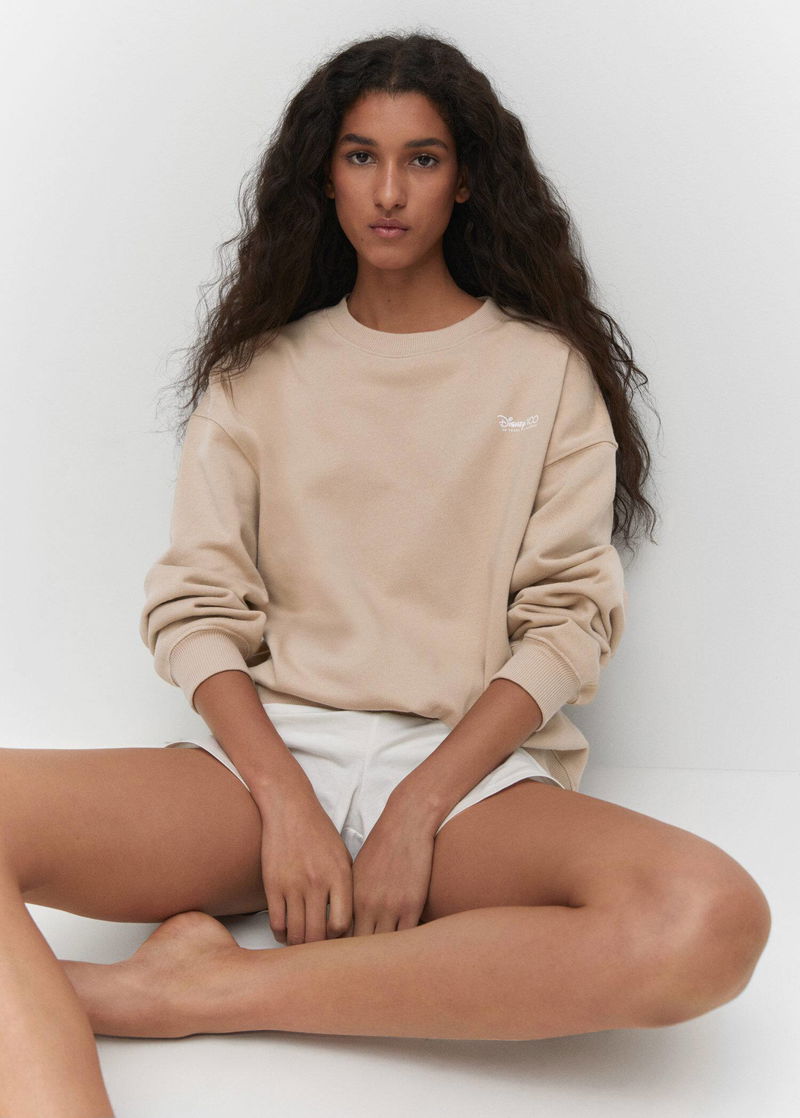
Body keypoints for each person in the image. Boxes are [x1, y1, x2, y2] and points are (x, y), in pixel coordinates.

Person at [1, 30, 771, 1117]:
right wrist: (283, 797)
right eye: (361, 156)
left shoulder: (542, 373)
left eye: (423, 158)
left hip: (466, 783)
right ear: (324, 176)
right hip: (263, 765)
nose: (390, 191)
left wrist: (418, 806)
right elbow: (196, 610)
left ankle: (206, 989)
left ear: (467, 181)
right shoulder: (258, 375)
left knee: (709, 918)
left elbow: (567, 620)